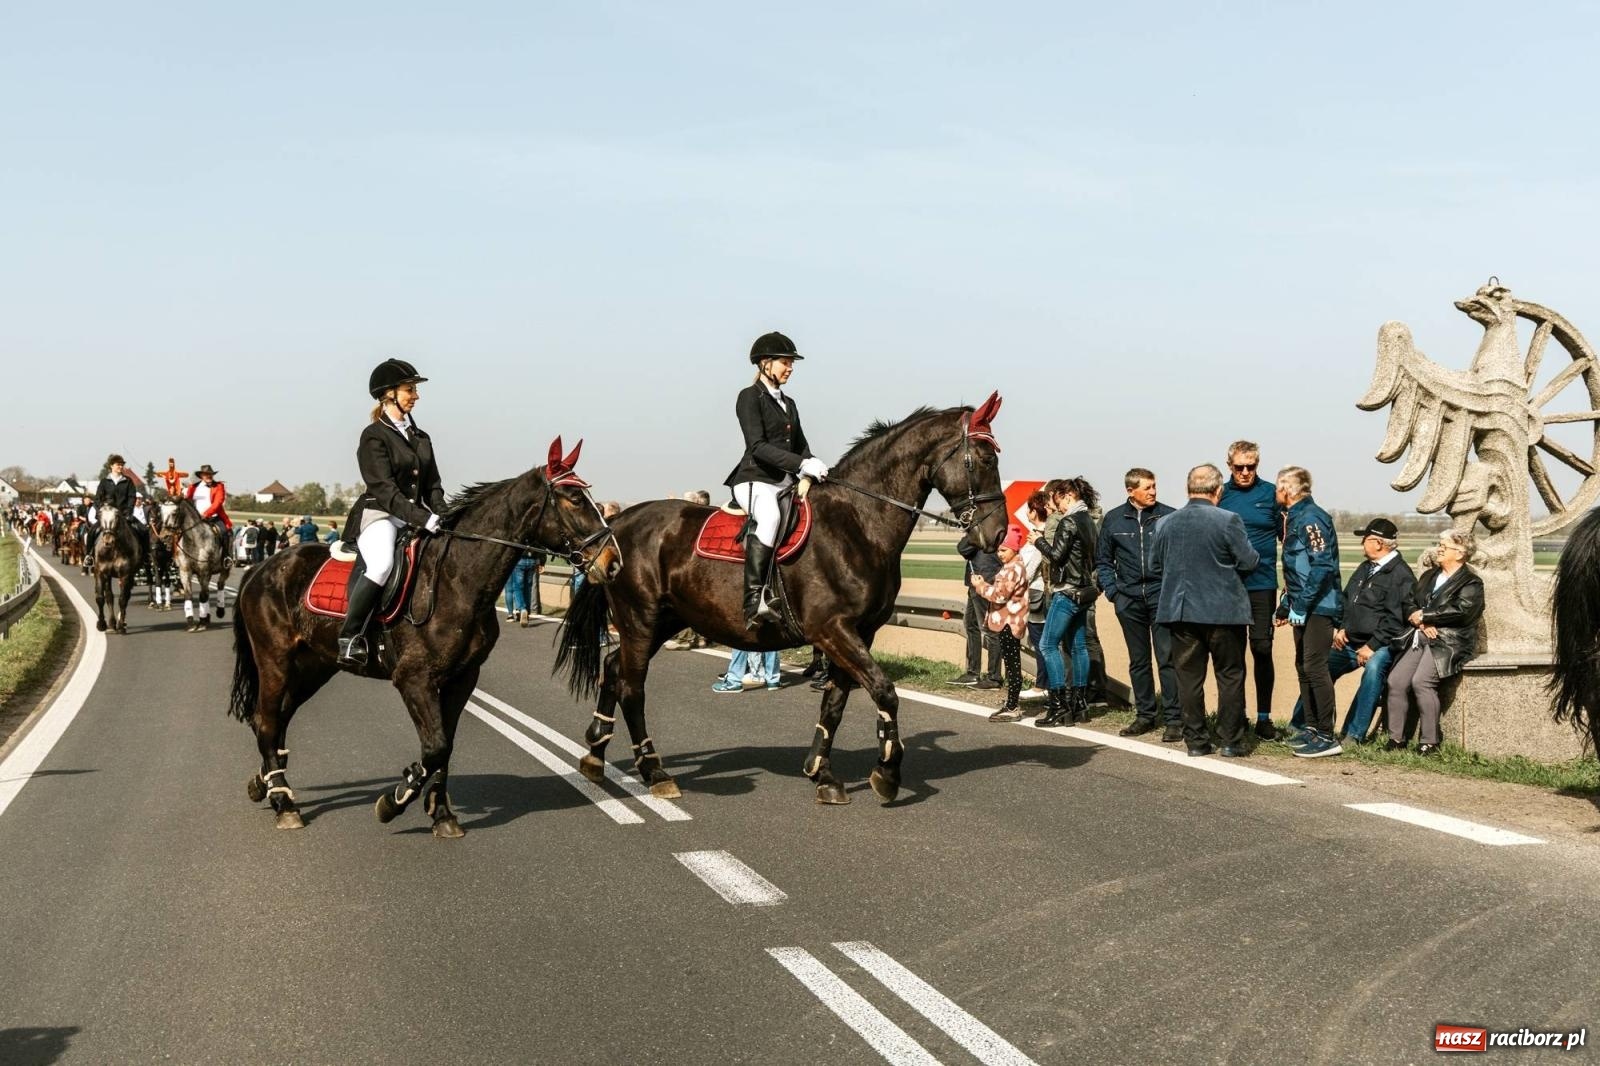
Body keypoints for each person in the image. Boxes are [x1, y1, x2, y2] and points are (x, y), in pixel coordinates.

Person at [336, 359, 446, 667]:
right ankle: (350, 636)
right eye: (410, 390)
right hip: (379, 515)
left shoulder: (421, 437)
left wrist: (443, 512)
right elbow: (384, 489)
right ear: (389, 394)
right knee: (382, 564)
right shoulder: (374, 436)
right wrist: (424, 518)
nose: (416, 396)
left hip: (414, 514)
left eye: (414, 390)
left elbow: (433, 485)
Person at [1151, 464, 1259, 757]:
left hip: (1181, 611)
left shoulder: (1166, 523)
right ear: (1218, 490)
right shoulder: (1228, 520)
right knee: (1230, 676)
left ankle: (1196, 741)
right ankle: (1230, 740)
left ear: (1188, 489)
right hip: (1224, 612)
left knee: (1189, 679)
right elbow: (1249, 561)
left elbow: (1155, 566)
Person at [723, 331, 828, 628]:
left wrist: (812, 467)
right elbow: (757, 446)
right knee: (768, 517)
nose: (790, 368)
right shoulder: (749, 397)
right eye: (786, 362)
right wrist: (801, 463)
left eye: (792, 363)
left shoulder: (789, 403)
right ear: (765, 363)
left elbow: (801, 445)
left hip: (784, 482)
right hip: (755, 480)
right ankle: (753, 600)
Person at [1289, 517, 1415, 745]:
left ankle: (1353, 734)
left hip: (1381, 644)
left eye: (1365, 539)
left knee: (1374, 669)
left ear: (1378, 543)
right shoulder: (1365, 567)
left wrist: (1372, 646)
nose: (1361, 545)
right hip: (1349, 640)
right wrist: (1341, 627)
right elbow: (1347, 599)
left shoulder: (1401, 575)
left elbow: (1395, 620)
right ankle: (1305, 725)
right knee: (1319, 667)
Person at [1096, 468, 1183, 742]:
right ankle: (1145, 715)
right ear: (1130, 491)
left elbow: (1180, 558)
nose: (1153, 492)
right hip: (1129, 599)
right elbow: (1103, 561)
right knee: (1139, 661)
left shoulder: (1169, 516)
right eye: (1147, 488)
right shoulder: (1113, 519)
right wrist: (1114, 593)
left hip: (1161, 597)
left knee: (1167, 659)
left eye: (1154, 486)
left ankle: (1174, 720)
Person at [1384, 528, 1484, 755]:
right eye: (1439, 543)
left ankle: (1430, 740)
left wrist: (1428, 616)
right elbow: (1410, 602)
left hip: (1449, 641)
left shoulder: (1471, 583)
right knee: (1396, 681)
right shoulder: (1428, 576)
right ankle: (1396, 739)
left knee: (1421, 682)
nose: (1438, 549)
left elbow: (1464, 610)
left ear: (1459, 553)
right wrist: (1420, 621)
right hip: (1421, 636)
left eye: (1444, 546)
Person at [1274, 466, 1345, 759]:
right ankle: (1312, 729)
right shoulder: (1293, 517)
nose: (1275, 491)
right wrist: (1287, 604)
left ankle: (1327, 736)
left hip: (1318, 605)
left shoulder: (1311, 518)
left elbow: (1322, 565)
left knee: (1316, 668)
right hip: (1303, 604)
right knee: (1303, 667)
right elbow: (1296, 568)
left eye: (1279, 486)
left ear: (1289, 490)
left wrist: (1302, 605)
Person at [1217, 440, 1283, 739]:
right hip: (1228, 585)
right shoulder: (1220, 494)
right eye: (1239, 467)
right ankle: (1235, 716)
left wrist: (1291, 588)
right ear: (1229, 466)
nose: (1245, 472)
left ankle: (1264, 717)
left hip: (1263, 585)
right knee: (1232, 653)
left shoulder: (1271, 494)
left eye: (1251, 467)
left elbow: (1290, 540)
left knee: (1262, 648)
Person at [1032, 477, 1100, 728]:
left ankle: (1059, 706)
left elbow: (1057, 558)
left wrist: (1038, 541)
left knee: (1048, 645)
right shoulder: (1089, 521)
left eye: (1056, 499)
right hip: (1084, 592)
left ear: (1067, 495)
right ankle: (1079, 705)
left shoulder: (1069, 521)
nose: (1055, 505)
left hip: (1067, 591)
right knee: (1079, 646)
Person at [968, 524, 1032, 721]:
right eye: (999, 549)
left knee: (1012, 666)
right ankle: (1011, 702)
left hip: (1009, 623)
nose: (1000, 553)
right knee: (1011, 664)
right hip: (1009, 621)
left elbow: (999, 596)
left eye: (1004, 550)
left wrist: (980, 586)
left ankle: (1013, 707)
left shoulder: (1012, 569)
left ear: (1014, 549)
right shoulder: (1013, 567)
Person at [952, 528, 1004, 690]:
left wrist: (969, 532)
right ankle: (973, 673)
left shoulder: (981, 529)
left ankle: (993, 677)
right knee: (971, 625)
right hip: (980, 581)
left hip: (982, 581)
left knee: (989, 630)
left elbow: (963, 548)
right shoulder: (993, 528)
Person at [185, 464, 233, 558]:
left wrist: (206, 514)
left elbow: (218, 502)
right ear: (201, 476)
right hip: (195, 519)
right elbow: (188, 501)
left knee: (225, 532)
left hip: (213, 518)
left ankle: (226, 557)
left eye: (210, 474)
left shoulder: (219, 486)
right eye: (206, 474)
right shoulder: (193, 487)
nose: (209, 476)